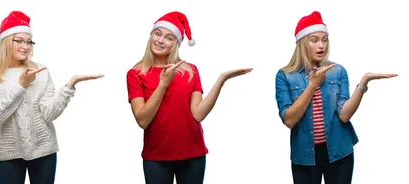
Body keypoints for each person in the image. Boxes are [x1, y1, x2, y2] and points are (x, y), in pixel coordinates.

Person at [0, 11, 103, 184]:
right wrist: (21, 85)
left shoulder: (40, 71)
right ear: (6, 42)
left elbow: (49, 113)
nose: (25, 46)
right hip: (8, 153)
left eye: (29, 42)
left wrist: (69, 86)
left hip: (44, 151)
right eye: (19, 41)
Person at [126, 11, 252, 184]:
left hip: (193, 154)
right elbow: (142, 120)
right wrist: (163, 83)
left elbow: (198, 114)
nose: (161, 40)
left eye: (169, 37)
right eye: (158, 33)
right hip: (156, 156)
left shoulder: (190, 70)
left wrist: (221, 80)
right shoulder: (135, 74)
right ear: (151, 36)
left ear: (176, 43)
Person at [275, 11, 398, 184]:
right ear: (302, 43)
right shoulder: (284, 76)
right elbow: (289, 120)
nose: (321, 46)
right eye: (314, 40)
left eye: (324, 40)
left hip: (340, 151)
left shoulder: (338, 71)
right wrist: (312, 85)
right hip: (304, 155)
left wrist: (363, 83)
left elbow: (344, 115)